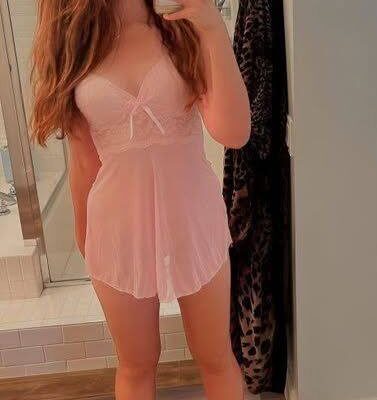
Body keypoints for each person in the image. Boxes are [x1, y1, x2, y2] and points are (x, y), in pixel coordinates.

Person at [31, 1, 251, 399]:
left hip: (194, 220)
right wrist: (85, 237)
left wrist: (213, 29)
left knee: (216, 356)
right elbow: (84, 161)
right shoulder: (76, 40)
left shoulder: (183, 25)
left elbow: (234, 132)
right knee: (135, 364)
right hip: (117, 229)